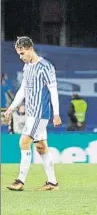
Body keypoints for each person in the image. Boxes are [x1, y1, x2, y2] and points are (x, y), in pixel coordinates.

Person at [4, 36, 62, 191]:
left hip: (39, 112)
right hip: (31, 113)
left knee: (23, 142)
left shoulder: (45, 67)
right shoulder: (28, 66)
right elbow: (23, 89)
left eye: (22, 53)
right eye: (19, 54)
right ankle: (52, 183)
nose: (21, 57)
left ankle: (20, 181)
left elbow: (53, 90)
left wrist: (56, 113)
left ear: (30, 48)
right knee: (41, 146)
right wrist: (11, 108)